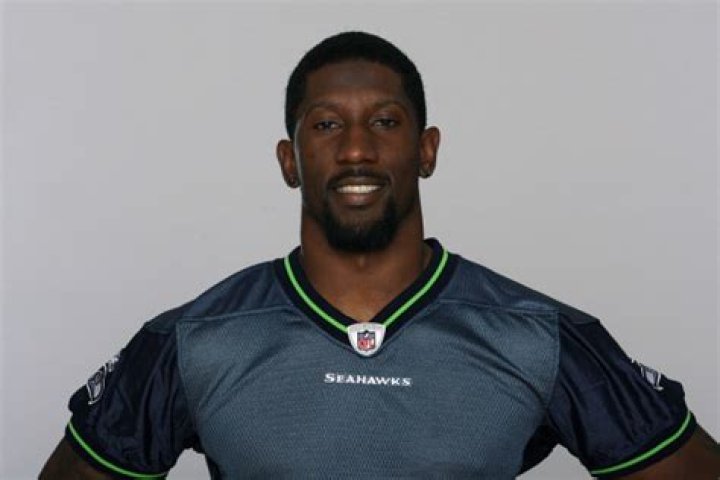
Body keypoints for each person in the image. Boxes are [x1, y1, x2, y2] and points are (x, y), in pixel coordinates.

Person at [40, 31, 719, 479]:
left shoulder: (538, 336)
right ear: (290, 160)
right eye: (327, 124)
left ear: (426, 150)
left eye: (385, 122)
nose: (357, 148)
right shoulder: (194, 340)